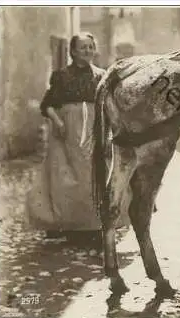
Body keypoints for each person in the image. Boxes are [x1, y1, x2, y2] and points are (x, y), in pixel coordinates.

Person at [26, 32, 110, 245]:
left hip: (94, 130)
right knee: (66, 177)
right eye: (83, 47)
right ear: (72, 51)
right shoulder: (61, 76)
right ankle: (68, 224)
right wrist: (59, 122)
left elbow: (108, 106)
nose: (88, 51)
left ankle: (93, 226)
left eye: (91, 47)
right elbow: (47, 105)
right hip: (66, 133)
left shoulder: (102, 75)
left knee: (93, 176)